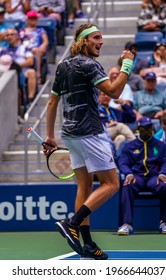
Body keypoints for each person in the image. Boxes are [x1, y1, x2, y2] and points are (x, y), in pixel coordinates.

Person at [43, 23, 134, 259]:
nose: (101, 42)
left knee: (84, 187)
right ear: (83, 41)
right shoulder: (89, 64)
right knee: (111, 184)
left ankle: (88, 245)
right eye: (96, 37)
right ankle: (71, 223)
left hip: (70, 135)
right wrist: (127, 64)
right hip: (90, 133)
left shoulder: (63, 66)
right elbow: (113, 92)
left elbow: (52, 103)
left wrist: (50, 136)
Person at [117, 116, 166, 235]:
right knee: (127, 184)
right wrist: (129, 173)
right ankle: (127, 224)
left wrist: (163, 173)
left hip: (154, 177)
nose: (147, 131)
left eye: (149, 128)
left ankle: (165, 222)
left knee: (165, 185)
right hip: (137, 177)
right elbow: (122, 162)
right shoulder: (129, 146)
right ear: (138, 129)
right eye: (144, 128)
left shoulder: (160, 146)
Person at [5, 27, 37, 104]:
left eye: (12, 34)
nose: (9, 37)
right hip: (7, 72)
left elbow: (30, 61)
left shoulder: (24, 48)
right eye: (7, 35)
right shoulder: (3, 50)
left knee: (31, 72)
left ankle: (30, 99)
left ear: (17, 36)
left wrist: (17, 66)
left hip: (22, 71)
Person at [19, 10, 49, 84]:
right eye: (31, 18)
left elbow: (45, 41)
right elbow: (19, 42)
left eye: (34, 18)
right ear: (27, 20)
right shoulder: (22, 31)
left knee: (36, 50)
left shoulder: (40, 30)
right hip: (24, 49)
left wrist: (42, 46)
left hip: (36, 49)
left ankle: (38, 74)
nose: (33, 20)